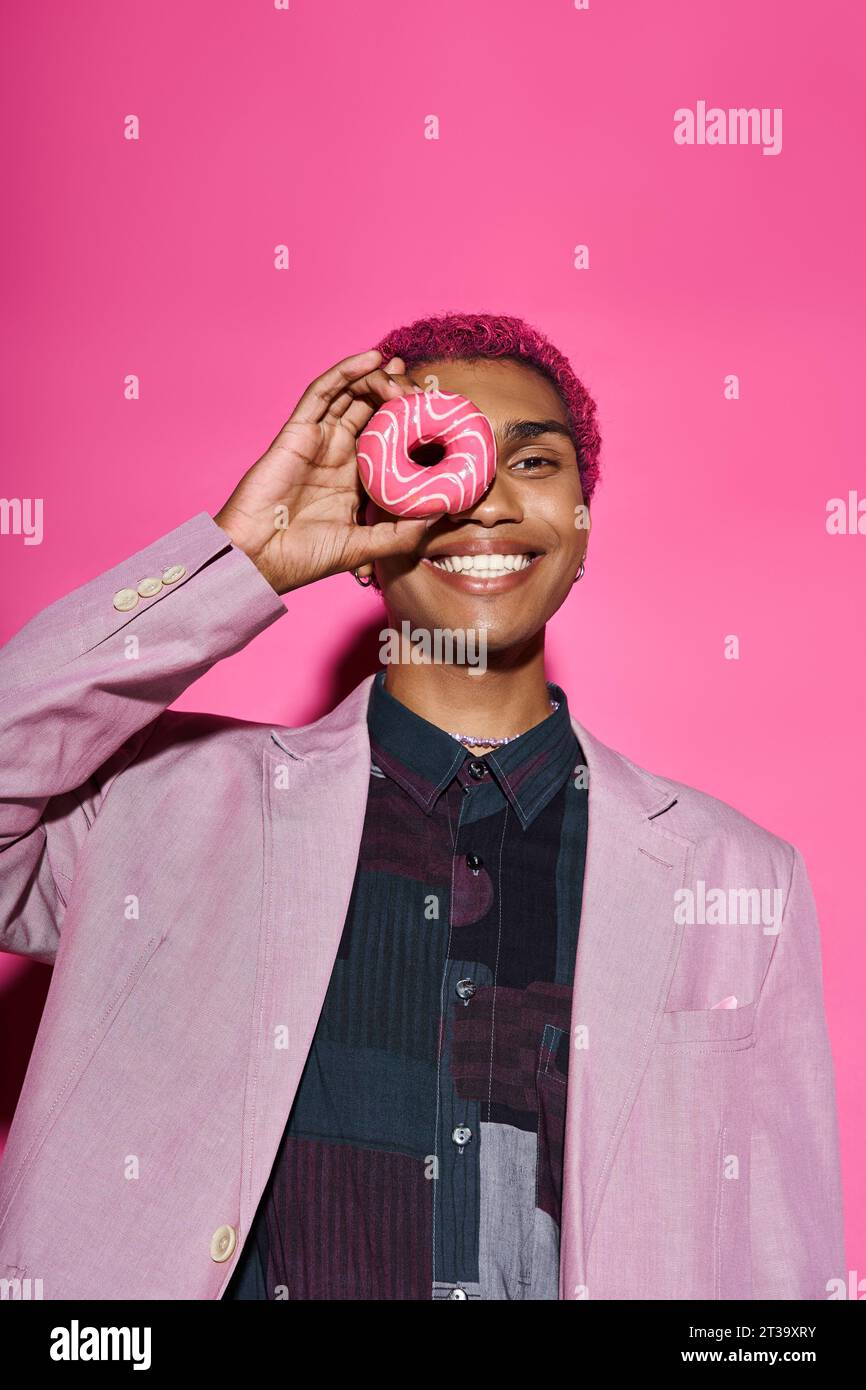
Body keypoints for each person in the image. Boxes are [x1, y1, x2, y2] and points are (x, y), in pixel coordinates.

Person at [0, 313, 845, 1301]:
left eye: (533, 462)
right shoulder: (159, 808)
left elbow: (777, 1276)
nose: (485, 502)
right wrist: (237, 561)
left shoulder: (734, 879)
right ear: (359, 537)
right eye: (440, 457)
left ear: (580, 527)